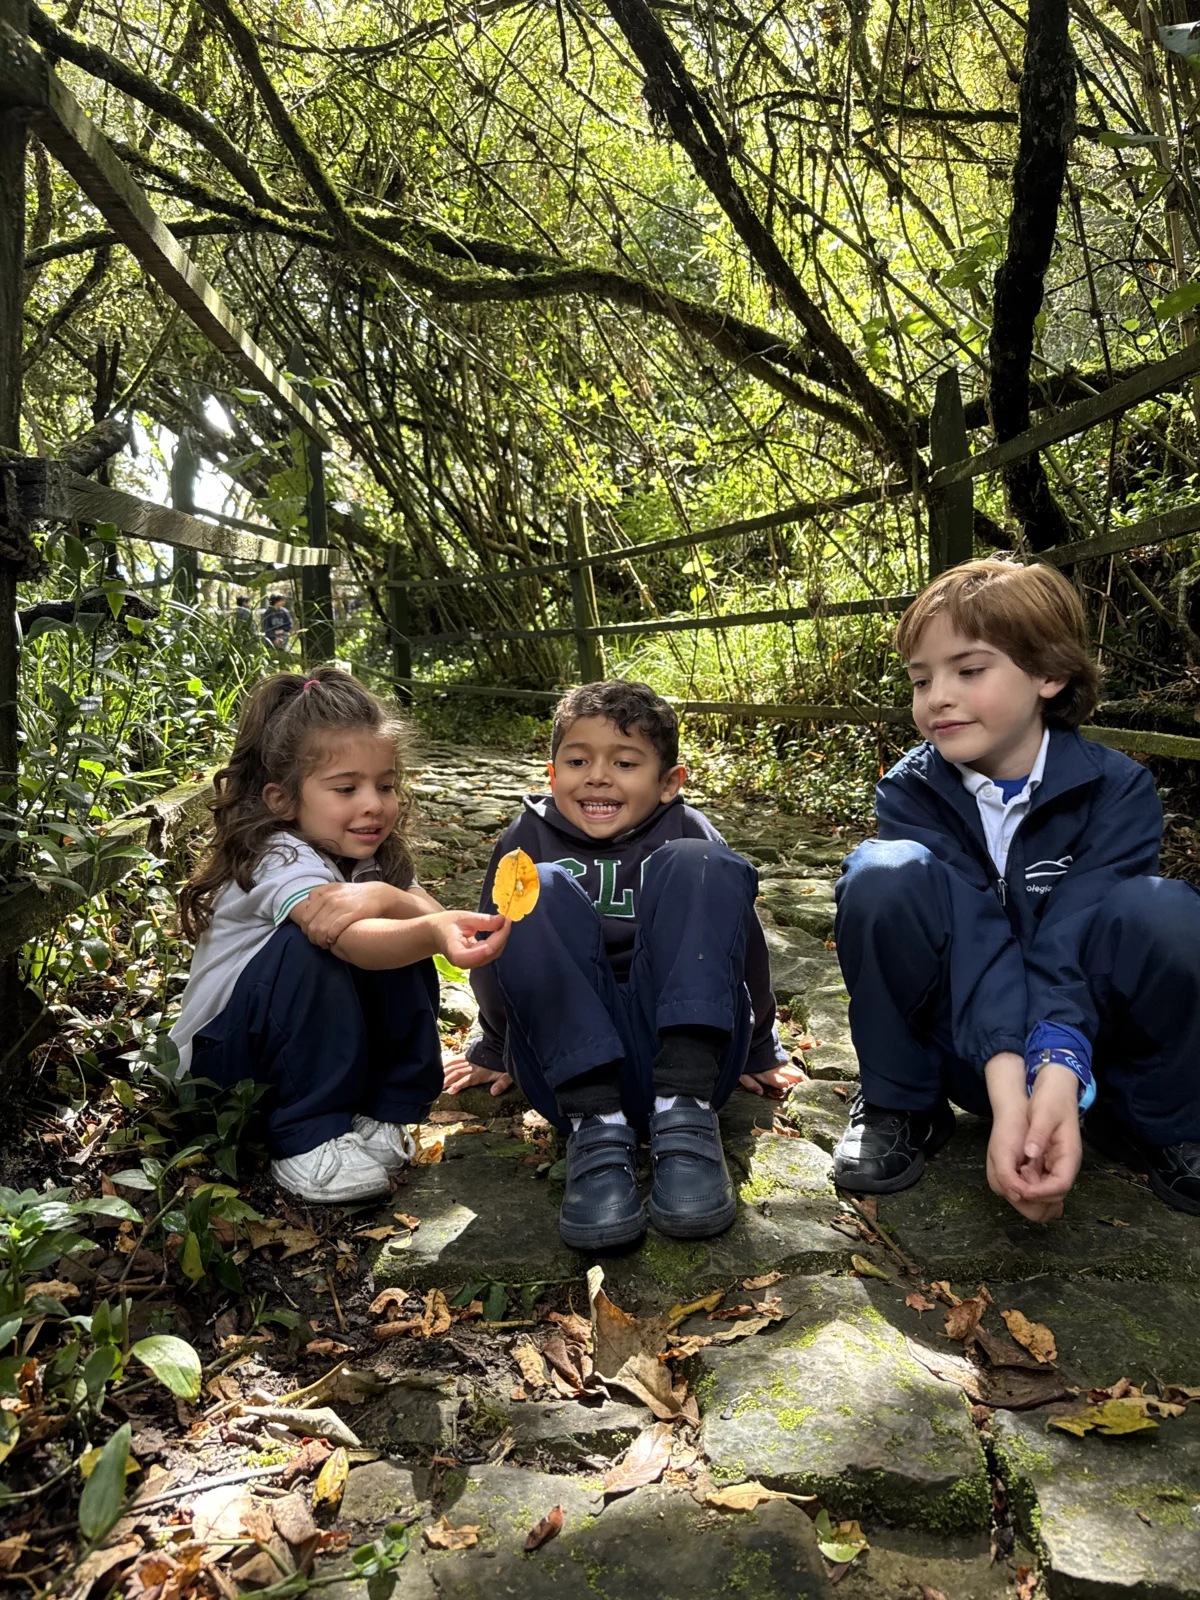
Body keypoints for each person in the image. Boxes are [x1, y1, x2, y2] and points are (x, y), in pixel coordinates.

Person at [832, 558, 1200, 1221]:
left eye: (969, 670)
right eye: (921, 679)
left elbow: (1073, 937)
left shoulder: (1117, 790)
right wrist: (1008, 1092)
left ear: (1048, 675)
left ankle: (1159, 1118)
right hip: (968, 1048)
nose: (937, 696)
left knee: (1166, 913)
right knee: (883, 875)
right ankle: (901, 1103)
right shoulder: (912, 791)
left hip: (1084, 1047)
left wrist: (1057, 1067)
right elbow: (974, 934)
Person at [443, 680, 798, 1251]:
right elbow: (492, 954)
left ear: (668, 783)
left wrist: (758, 1047)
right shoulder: (525, 838)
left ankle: (685, 1122)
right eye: (577, 760)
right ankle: (597, 1136)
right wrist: (496, 1045)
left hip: (691, 1054)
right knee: (540, 888)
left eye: (625, 762)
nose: (598, 776)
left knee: (702, 865)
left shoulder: (688, 829)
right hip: (569, 1069)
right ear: (552, 773)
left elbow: (741, 946)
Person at [171, 668, 511, 1204]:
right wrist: (421, 924)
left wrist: (392, 899)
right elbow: (348, 938)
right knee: (316, 944)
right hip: (225, 1070)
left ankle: (380, 1111)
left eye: (385, 785)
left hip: (301, 1052)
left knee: (406, 934)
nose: (373, 804)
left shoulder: (368, 859)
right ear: (282, 799)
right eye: (346, 788)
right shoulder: (277, 856)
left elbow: (435, 921)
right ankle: (307, 1133)